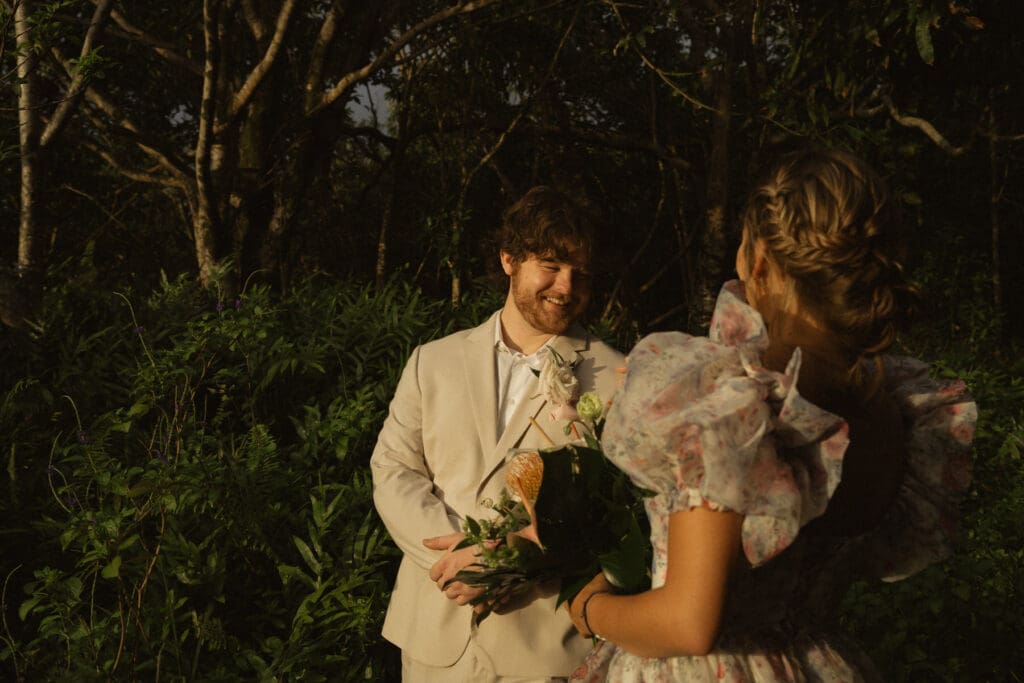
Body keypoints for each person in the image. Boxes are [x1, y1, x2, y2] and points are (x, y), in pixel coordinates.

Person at [564, 149, 976, 682]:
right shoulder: (895, 408)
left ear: (758, 261)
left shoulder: (735, 405)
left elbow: (688, 623)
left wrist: (591, 611)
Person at [371, 185, 626, 682]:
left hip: (546, 649)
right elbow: (393, 470)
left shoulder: (616, 376)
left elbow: (616, 515)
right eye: (551, 265)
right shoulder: (433, 361)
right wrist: (460, 561)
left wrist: (512, 558)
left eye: (582, 273)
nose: (567, 286)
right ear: (509, 259)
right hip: (435, 641)